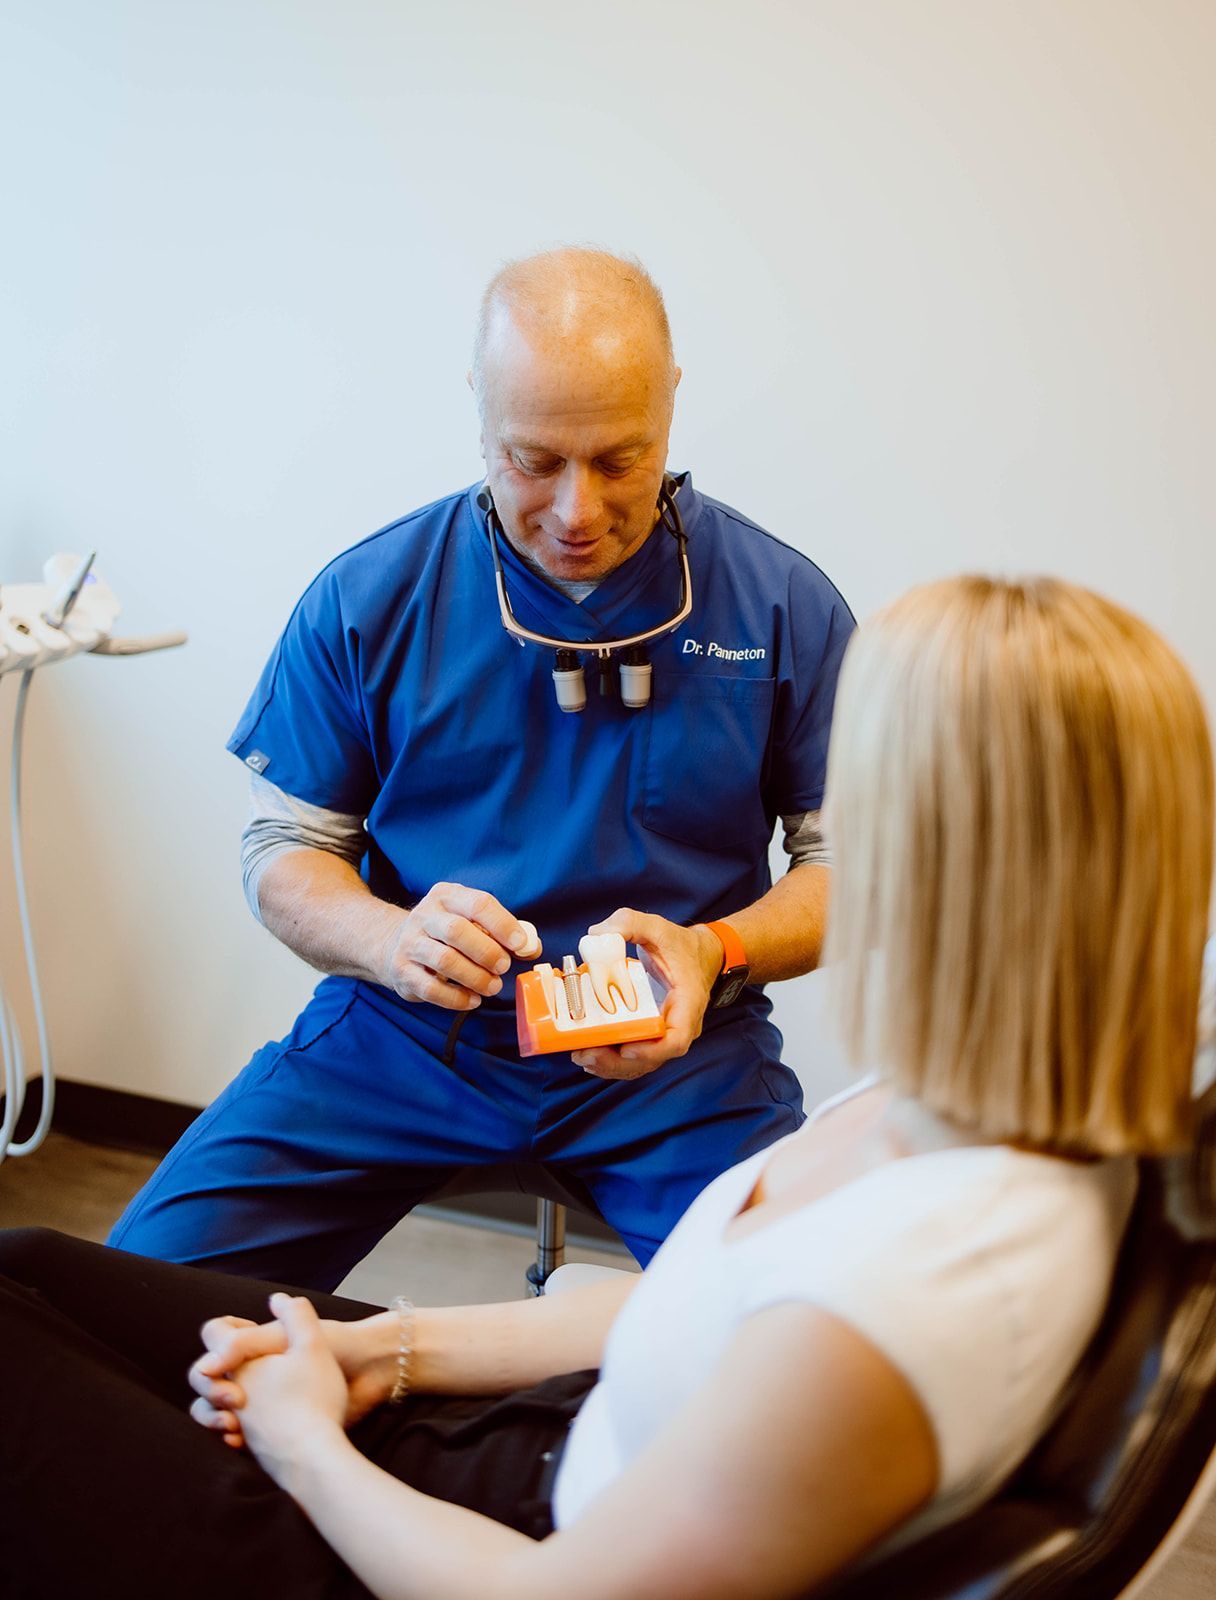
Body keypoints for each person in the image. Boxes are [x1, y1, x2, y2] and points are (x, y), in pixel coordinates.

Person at [3, 574, 1211, 1600]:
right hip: (504, 1272)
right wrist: (386, 1350)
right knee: (33, 1266)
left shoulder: (908, 1294)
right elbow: (698, 1295)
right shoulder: (971, 1105)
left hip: (502, 1540)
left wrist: (306, 1439)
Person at [107, 248, 856, 1287]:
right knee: (131, 1290)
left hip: (676, 1057)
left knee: (802, 1340)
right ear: (479, 409)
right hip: (409, 1038)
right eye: (533, 460)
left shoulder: (780, 607)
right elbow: (286, 849)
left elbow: (850, 872)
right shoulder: (369, 599)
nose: (577, 511)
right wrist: (389, 937)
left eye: (620, 459)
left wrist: (710, 953)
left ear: (672, 403)